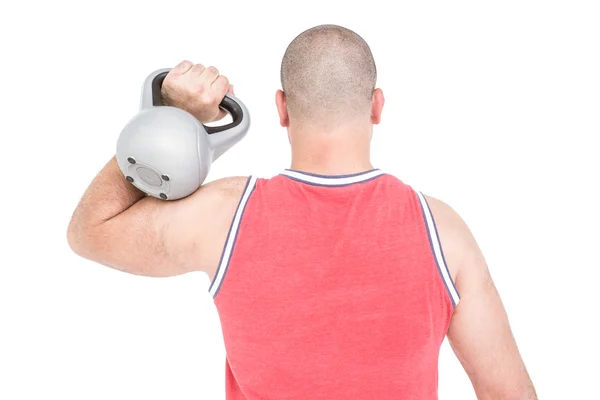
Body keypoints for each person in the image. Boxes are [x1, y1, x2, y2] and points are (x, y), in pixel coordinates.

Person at [67, 24, 537, 400]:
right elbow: (508, 393)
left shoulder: (225, 217)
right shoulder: (443, 231)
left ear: (282, 109)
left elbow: (89, 230)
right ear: (377, 107)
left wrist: (170, 119)